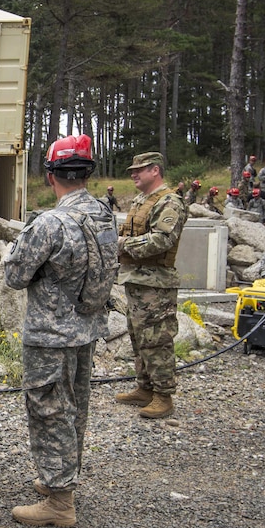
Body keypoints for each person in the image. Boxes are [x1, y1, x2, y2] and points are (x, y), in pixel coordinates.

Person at [4, 134, 117, 526]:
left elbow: (15, 276)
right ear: (87, 173)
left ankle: (59, 501)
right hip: (86, 327)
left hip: (50, 335)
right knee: (74, 406)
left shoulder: (51, 223)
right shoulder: (104, 214)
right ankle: (61, 478)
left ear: (52, 176)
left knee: (49, 408)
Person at [115, 152, 188, 420]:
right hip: (136, 279)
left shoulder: (170, 202)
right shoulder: (141, 201)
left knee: (157, 339)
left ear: (155, 170)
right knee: (139, 338)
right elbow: (126, 232)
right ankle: (145, 388)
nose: (133, 174)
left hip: (156, 284)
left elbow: (161, 241)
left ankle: (164, 396)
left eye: (140, 170)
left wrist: (122, 245)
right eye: (133, 169)